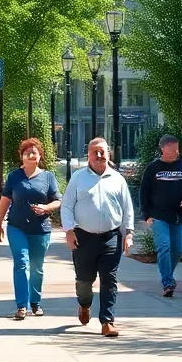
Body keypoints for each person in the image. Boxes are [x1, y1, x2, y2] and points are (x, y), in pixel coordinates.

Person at [60, 137, 133, 337]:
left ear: (109, 153)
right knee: (84, 280)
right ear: (88, 156)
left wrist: (128, 234)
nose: (99, 155)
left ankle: (107, 321)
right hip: (84, 237)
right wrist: (69, 231)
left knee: (109, 279)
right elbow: (66, 206)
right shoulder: (78, 178)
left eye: (102, 151)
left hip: (110, 237)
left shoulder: (118, 179)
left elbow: (127, 209)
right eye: (95, 152)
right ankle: (84, 305)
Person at [0, 138, 61, 319]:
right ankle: (22, 305)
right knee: (21, 263)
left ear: (40, 156)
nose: (31, 155)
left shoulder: (48, 177)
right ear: (22, 156)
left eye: (35, 152)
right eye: (27, 153)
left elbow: (57, 200)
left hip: (41, 229)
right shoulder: (14, 177)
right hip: (17, 227)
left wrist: (46, 208)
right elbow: (5, 200)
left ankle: (35, 302)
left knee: (37, 267)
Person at [139, 134, 182, 297]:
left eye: (178, 148)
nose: (177, 152)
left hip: (177, 217)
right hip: (158, 216)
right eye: (173, 149)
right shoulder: (153, 168)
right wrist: (146, 215)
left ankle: (168, 275)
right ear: (163, 149)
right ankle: (167, 282)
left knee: (179, 249)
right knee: (164, 246)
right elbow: (144, 193)